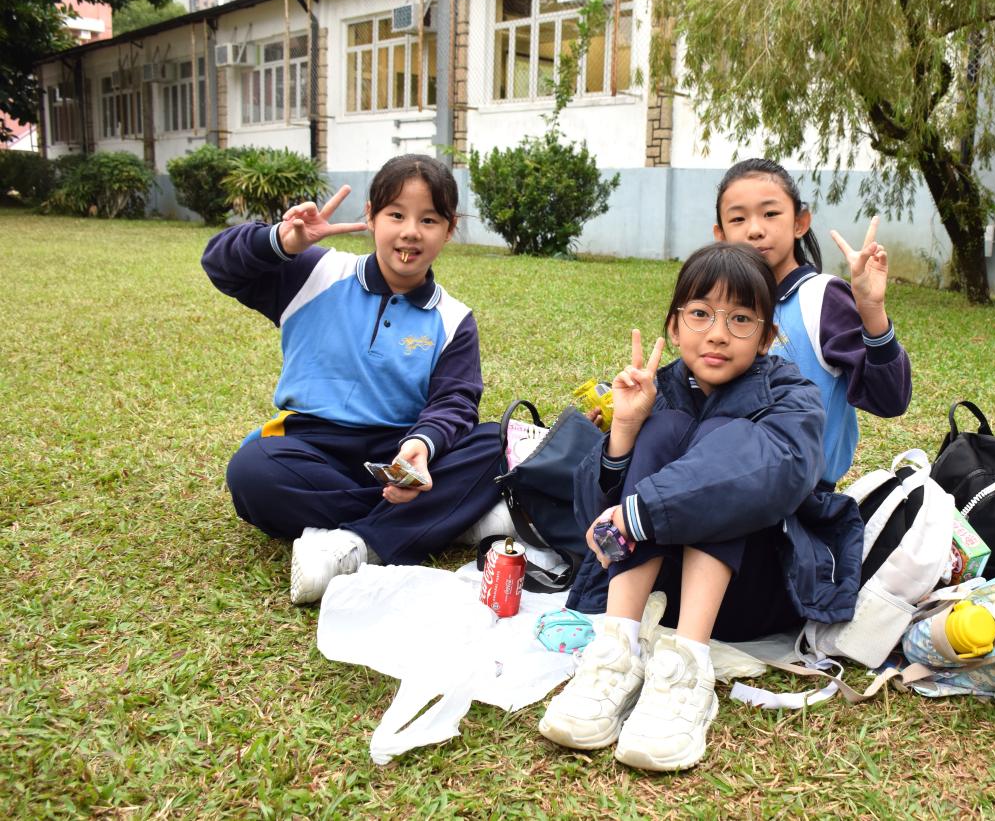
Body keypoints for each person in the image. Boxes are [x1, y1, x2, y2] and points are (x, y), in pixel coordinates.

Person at [544, 243, 863, 772]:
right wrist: (625, 429)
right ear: (674, 326)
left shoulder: (793, 394)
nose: (717, 333)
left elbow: (773, 471)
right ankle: (615, 654)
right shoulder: (658, 390)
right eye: (700, 313)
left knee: (726, 453)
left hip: (754, 589)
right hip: (660, 591)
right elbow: (593, 520)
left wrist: (640, 514)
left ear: (766, 337)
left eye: (740, 319)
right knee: (663, 427)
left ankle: (686, 672)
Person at [202, 154, 504, 605]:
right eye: (396, 215)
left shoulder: (454, 318)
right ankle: (447, 518)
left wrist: (421, 446)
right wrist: (281, 241)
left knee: (495, 443)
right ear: (370, 216)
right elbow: (219, 264)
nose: (410, 232)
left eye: (428, 220)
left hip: (400, 451)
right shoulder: (314, 272)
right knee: (252, 471)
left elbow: (455, 402)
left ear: (449, 229)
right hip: (310, 446)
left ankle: (360, 544)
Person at [713, 158, 912, 489]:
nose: (755, 229)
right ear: (720, 235)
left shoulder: (820, 298)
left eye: (770, 213)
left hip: (799, 499)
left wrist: (872, 310)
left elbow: (890, 399)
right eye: (738, 218)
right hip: (722, 481)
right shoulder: (720, 304)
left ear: (800, 223)